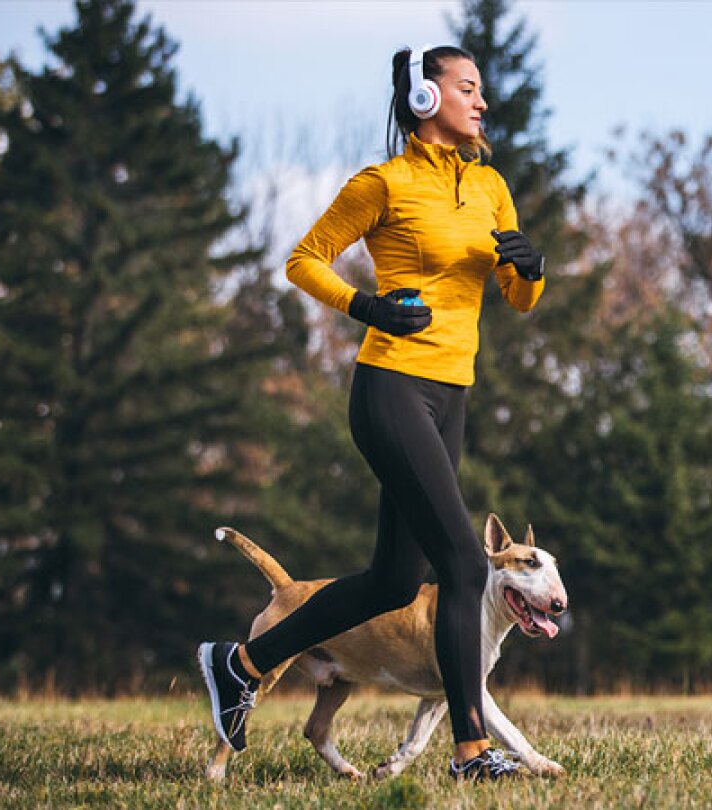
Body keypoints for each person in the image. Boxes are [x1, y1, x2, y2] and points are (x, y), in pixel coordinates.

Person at [198, 43, 546, 782]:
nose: (482, 102)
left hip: (452, 391)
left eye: (482, 91)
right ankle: (472, 755)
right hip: (390, 387)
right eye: (468, 88)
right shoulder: (383, 182)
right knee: (461, 562)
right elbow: (305, 258)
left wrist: (530, 271)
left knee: (393, 582)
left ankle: (243, 662)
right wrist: (367, 303)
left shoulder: (491, 189)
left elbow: (516, 299)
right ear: (426, 100)